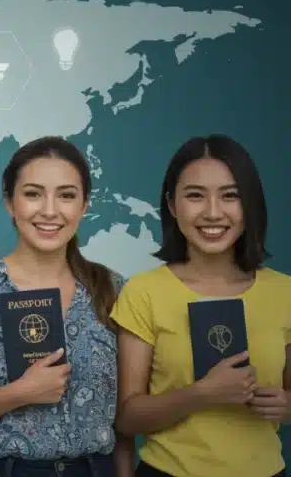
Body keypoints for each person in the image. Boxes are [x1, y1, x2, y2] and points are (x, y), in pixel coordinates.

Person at [0, 136, 134, 477]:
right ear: (9, 202)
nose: (50, 211)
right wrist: (19, 392)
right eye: (33, 193)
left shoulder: (115, 291)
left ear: (85, 204)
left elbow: (125, 422)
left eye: (66, 195)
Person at [111, 135, 291, 477]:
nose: (212, 212)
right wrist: (203, 393)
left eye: (231, 196)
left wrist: (286, 406)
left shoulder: (286, 292)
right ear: (172, 204)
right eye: (195, 195)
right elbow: (127, 418)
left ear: (249, 204)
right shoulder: (143, 292)